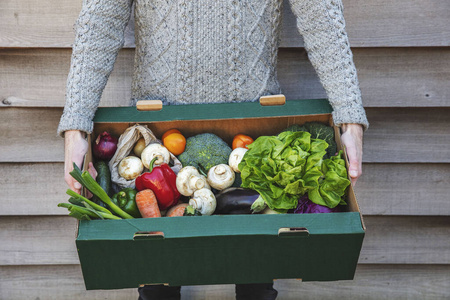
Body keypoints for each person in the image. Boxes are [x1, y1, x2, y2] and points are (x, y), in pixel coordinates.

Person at [58, 0, 368, 299]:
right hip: (156, 131)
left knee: (258, 268)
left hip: (254, 132)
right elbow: (100, 20)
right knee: (156, 274)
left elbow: (322, 16)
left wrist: (349, 116)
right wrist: (76, 125)